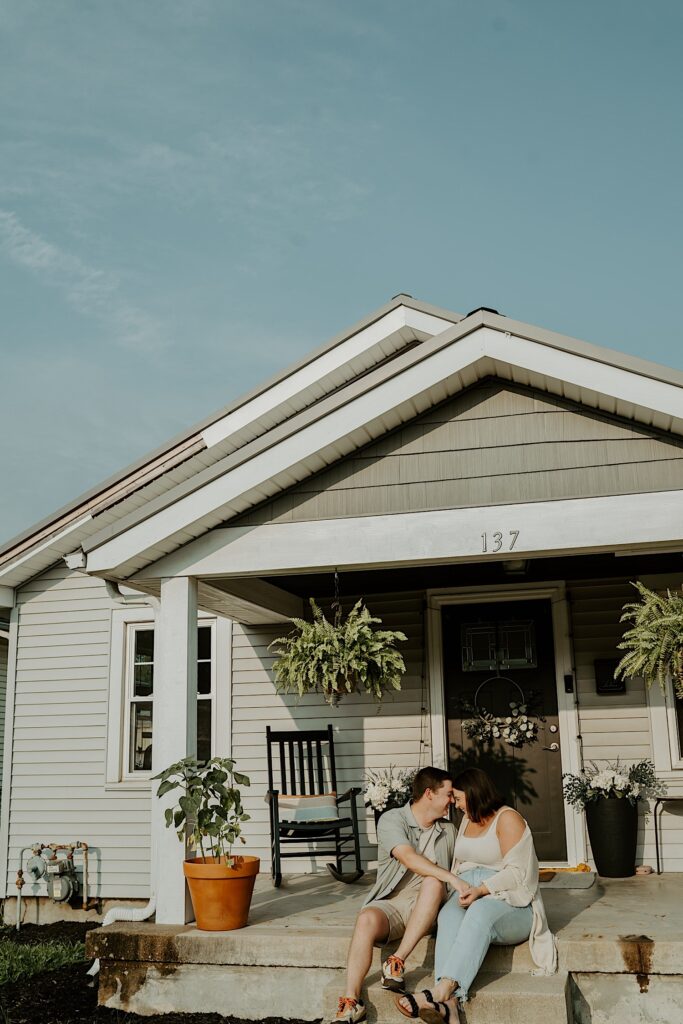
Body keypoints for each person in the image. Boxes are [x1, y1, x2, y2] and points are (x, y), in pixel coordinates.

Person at [395, 767, 557, 1023]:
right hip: (471, 891)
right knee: (448, 914)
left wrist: (482, 889)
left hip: (512, 902)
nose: (455, 804)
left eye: (458, 798)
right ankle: (448, 1006)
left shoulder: (508, 819)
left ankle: (441, 990)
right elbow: (460, 864)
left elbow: (518, 874)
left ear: (474, 794)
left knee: (480, 913)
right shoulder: (469, 819)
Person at [331, 767, 466, 1024]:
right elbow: (407, 857)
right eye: (448, 794)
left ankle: (396, 961)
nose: (452, 800)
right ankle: (351, 1001)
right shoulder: (393, 819)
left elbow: (463, 864)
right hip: (394, 901)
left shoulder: (448, 830)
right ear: (429, 793)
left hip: (429, 904)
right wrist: (450, 877)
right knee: (366, 918)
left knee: (433, 883)